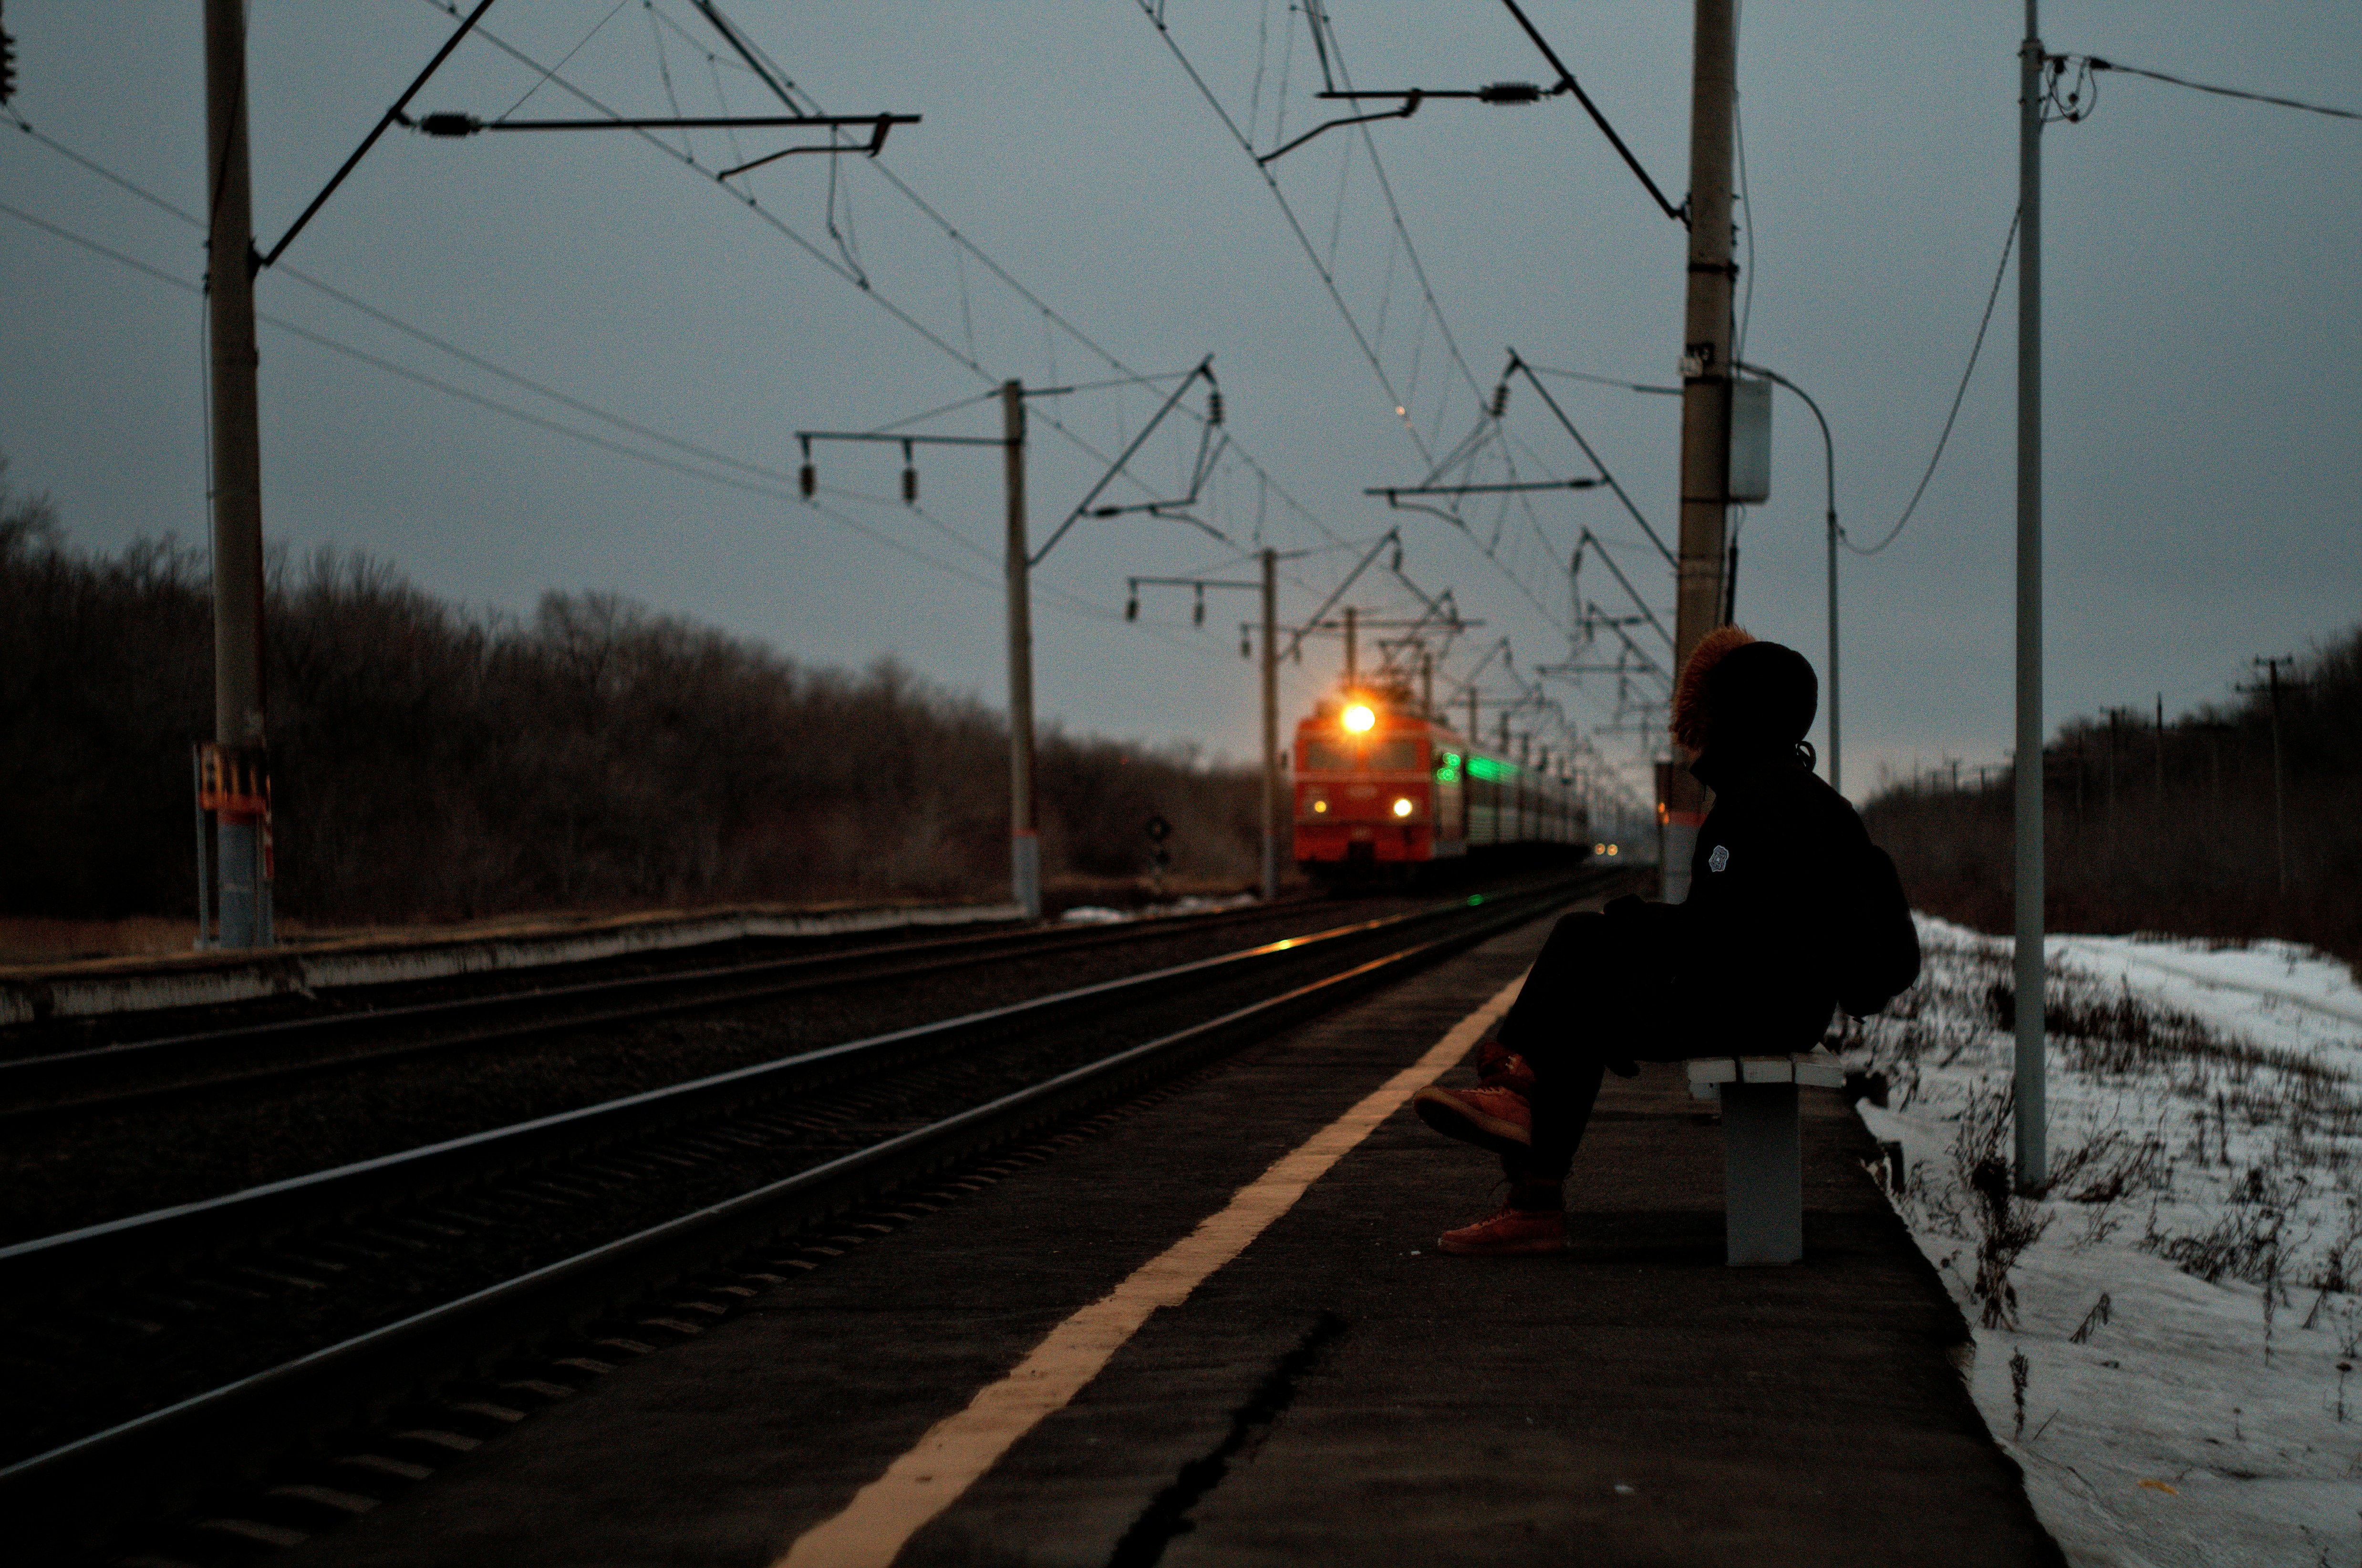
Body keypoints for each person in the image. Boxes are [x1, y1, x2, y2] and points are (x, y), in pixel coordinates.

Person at [1412, 626, 1921, 1255]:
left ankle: (1526, 1148)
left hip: (1750, 1010)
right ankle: (1520, 1113)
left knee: (1581, 958)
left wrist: (1633, 922)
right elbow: (1752, 926)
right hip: (1787, 1007)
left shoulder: (1749, 805)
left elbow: (1718, 932)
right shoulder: (1824, 806)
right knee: (1587, 972)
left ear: (1734, 714)